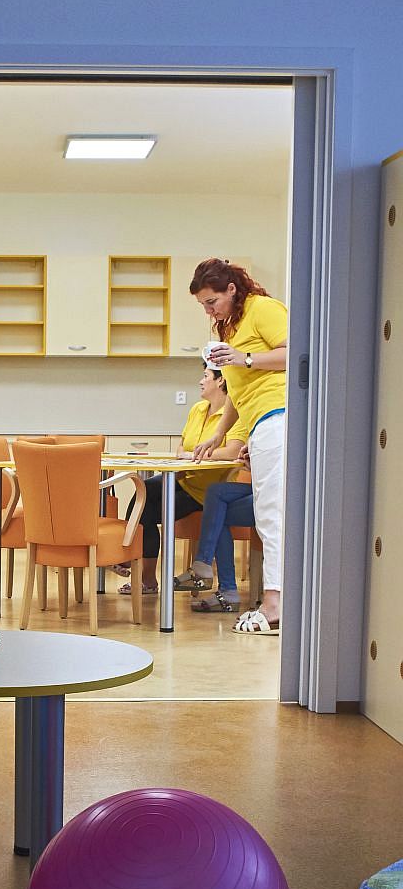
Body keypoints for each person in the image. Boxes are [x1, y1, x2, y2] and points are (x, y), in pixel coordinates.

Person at [189, 258, 287, 635]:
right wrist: (221, 434)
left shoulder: (263, 308)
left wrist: (244, 357)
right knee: (269, 511)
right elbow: (239, 391)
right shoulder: (230, 326)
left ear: (232, 289)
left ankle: (274, 605)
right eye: (203, 305)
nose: (208, 311)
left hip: (278, 413)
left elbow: (296, 353)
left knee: (271, 513)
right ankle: (276, 600)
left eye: (212, 302)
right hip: (260, 422)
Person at [116, 366, 248, 595]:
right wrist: (186, 455)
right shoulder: (197, 409)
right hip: (184, 480)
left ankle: (137, 568)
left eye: (205, 376)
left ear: (221, 381)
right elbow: (181, 446)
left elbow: (232, 451)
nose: (200, 381)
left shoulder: (234, 415)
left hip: (206, 492)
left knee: (148, 510)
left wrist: (194, 456)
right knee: (144, 492)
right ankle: (138, 567)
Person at [175, 450, 255, 613]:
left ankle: (223, 586)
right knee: (216, 494)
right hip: (263, 487)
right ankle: (207, 570)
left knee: (218, 512)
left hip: (278, 493)